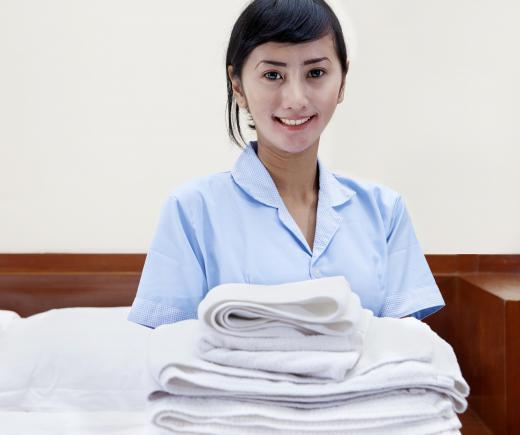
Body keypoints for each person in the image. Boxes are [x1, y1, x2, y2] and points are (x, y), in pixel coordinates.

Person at [128, 0, 445, 328]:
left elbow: (406, 349)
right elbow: (168, 350)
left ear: (343, 82)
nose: (295, 98)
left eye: (316, 73)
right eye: (273, 74)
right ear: (238, 86)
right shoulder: (192, 211)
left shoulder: (384, 211)